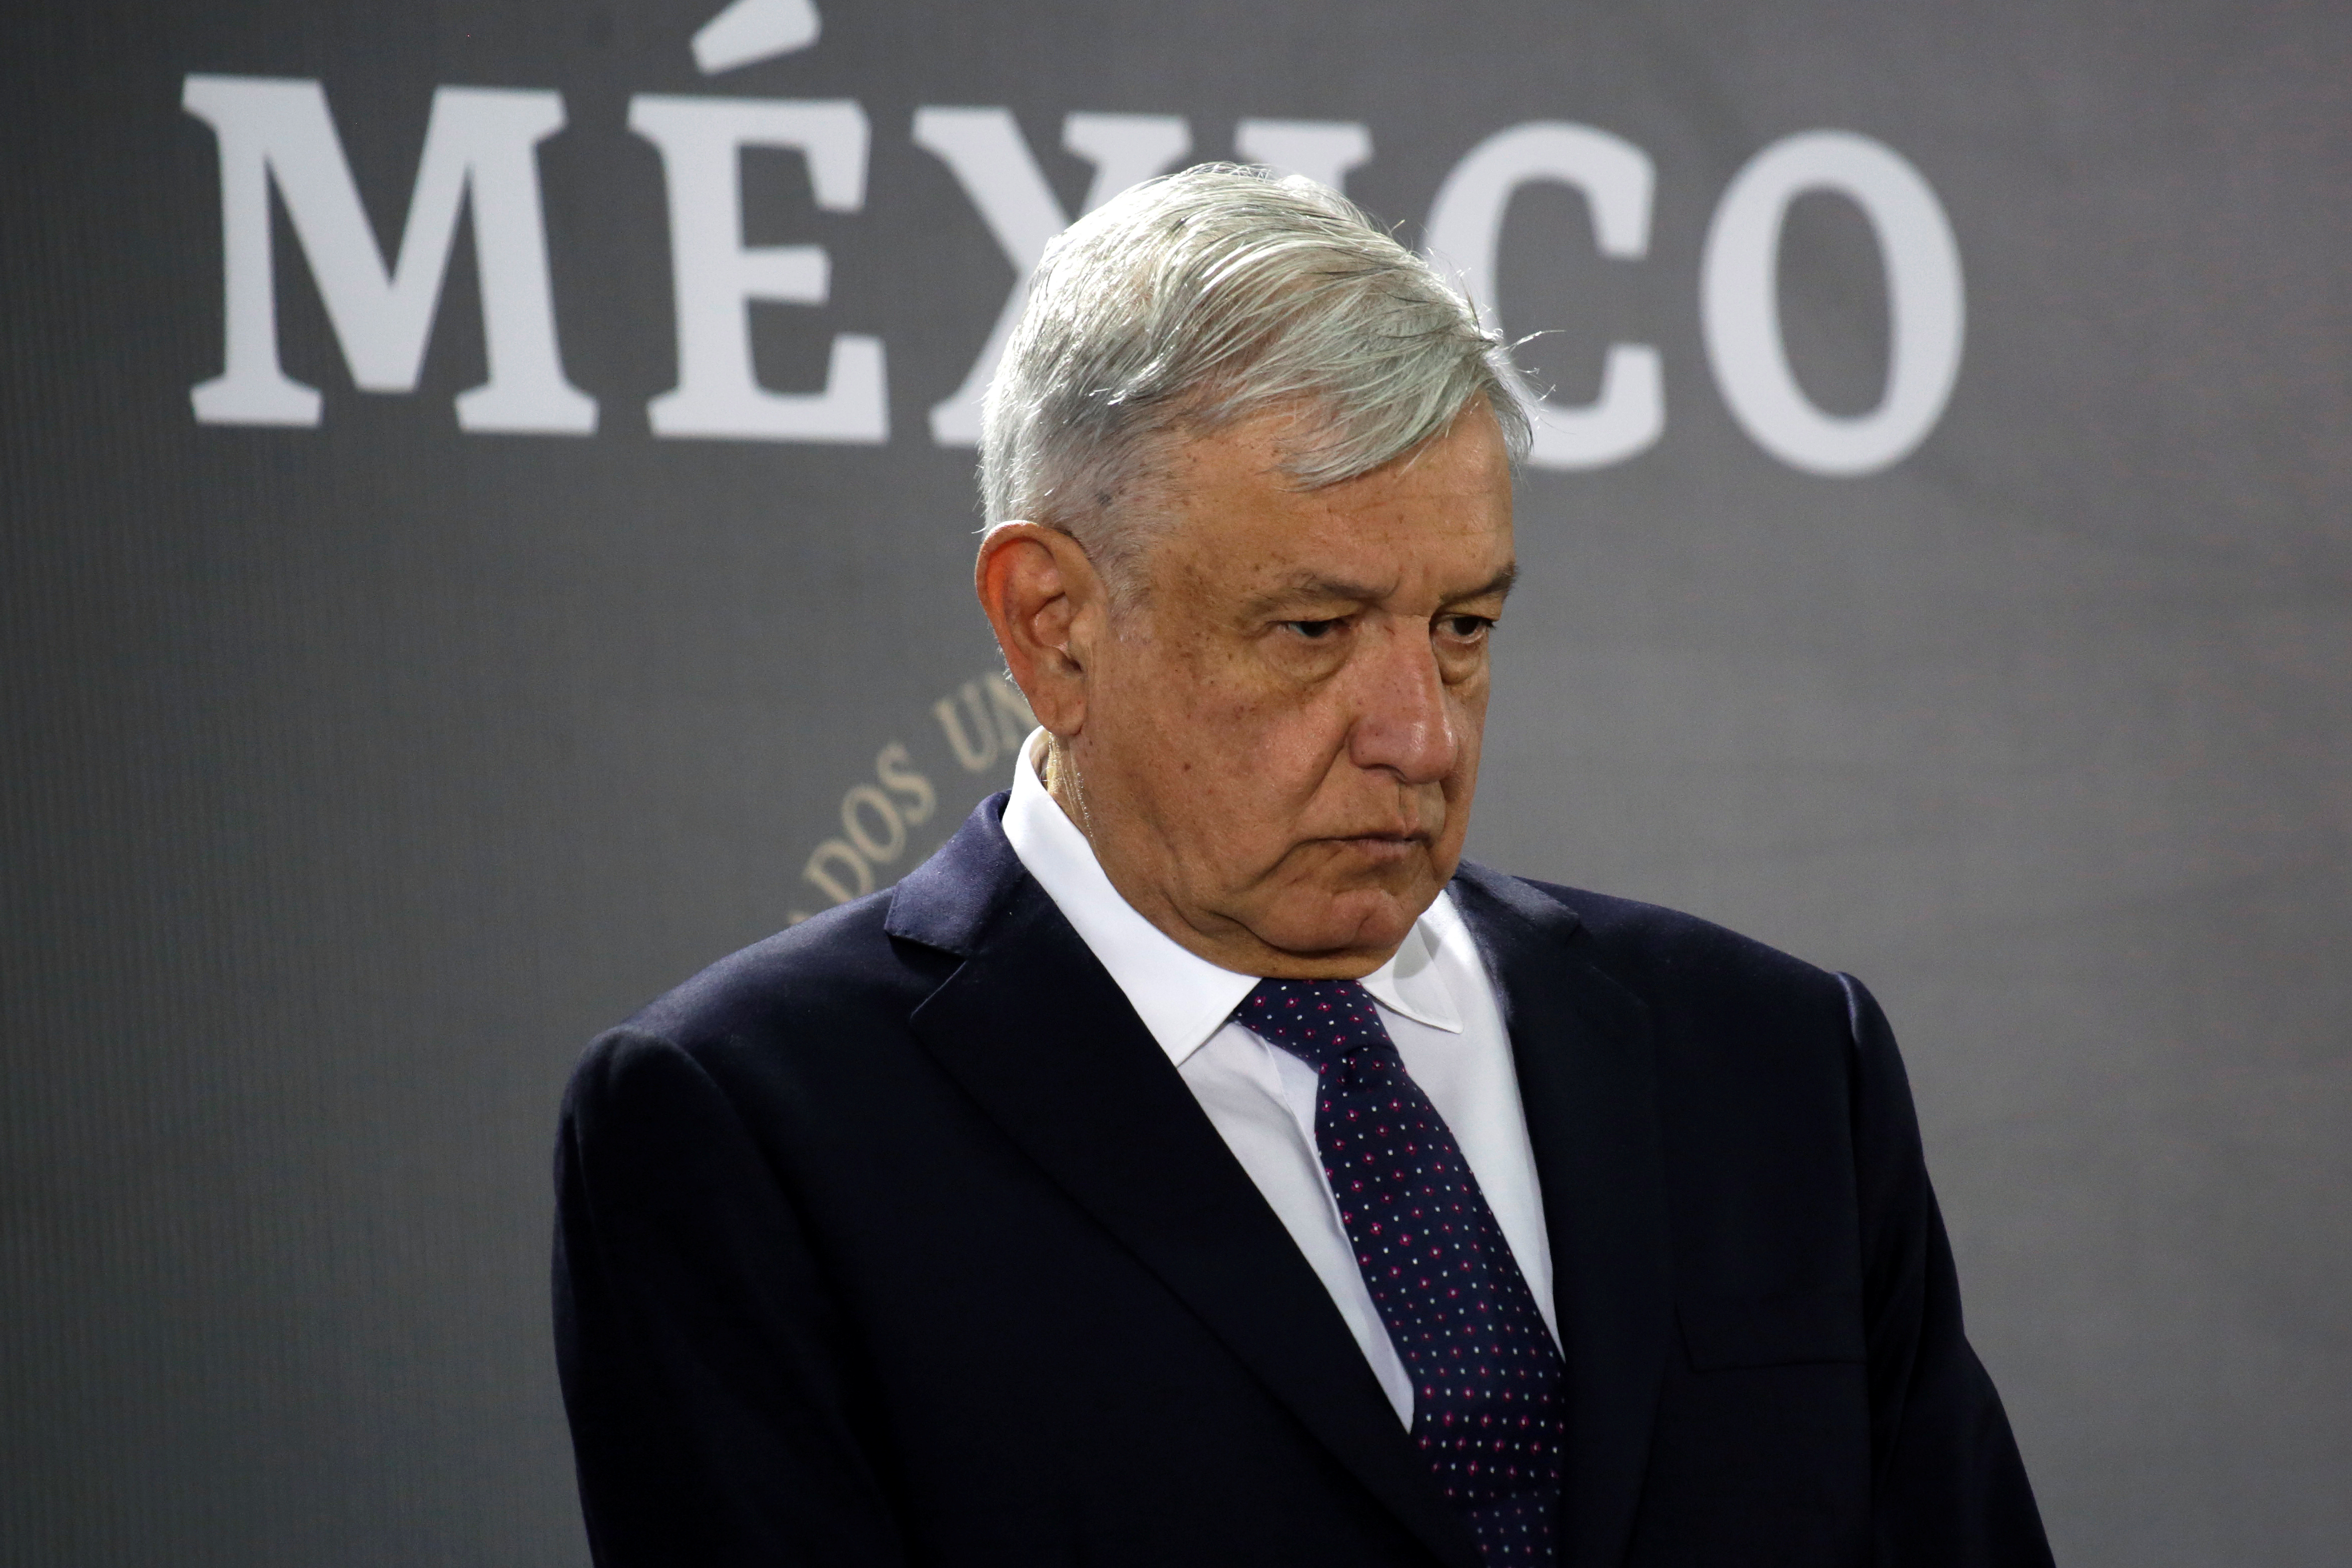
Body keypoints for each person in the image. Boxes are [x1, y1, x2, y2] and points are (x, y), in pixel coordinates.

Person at [553, 165, 2053, 1568]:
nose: (1417, 734)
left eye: (1462, 625)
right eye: (1311, 631)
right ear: (1050, 624)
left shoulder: (1776, 1063)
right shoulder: (748, 1130)